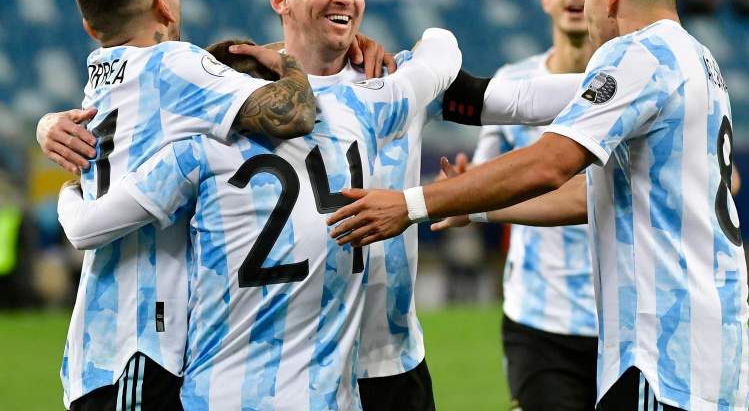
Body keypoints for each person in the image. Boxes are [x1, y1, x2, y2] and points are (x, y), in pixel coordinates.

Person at [328, 0, 749, 411]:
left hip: (665, 357)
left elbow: (550, 163)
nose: (584, 2)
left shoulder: (640, 56)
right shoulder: (693, 60)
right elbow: (522, 104)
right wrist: (401, 67)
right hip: (706, 346)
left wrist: (409, 204)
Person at [58, 26, 462, 409]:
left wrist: (69, 186)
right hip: (322, 393)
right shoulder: (350, 114)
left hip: (214, 392)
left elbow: (83, 227)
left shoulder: (194, 152)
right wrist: (328, 52)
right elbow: (441, 54)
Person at [49, 0, 317, 411]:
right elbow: (294, 113)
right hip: (139, 348)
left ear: (92, 28)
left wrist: (45, 128)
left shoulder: (99, 76)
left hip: (98, 344)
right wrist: (293, 66)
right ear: (163, 2)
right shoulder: (173, 65)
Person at [463, 0, 599, 411]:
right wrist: (466, 184)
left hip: (629, 316)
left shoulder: (636, 83)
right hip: (538, 317)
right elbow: (482, 175)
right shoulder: (512, 83)